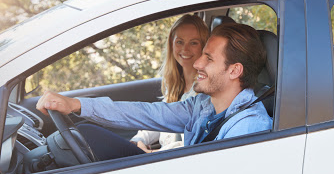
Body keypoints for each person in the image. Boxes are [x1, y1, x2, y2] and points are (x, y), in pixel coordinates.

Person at [36, 23, 272, 160]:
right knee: (88, 133)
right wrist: (77, 105)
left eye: (208, 58)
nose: (197, 64)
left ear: (234, 71)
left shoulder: (248, 129)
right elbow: (146, 113)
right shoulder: (203, 106)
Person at [131, 14, 209, 153]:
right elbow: (160, 119)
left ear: (204, 46)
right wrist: (138, 141)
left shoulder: (205, 91)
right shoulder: (174, 84)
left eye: (193, 43)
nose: (185, 49)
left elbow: (192, 144)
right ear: (171, 44)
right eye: (179, 42)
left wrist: (151, 154)